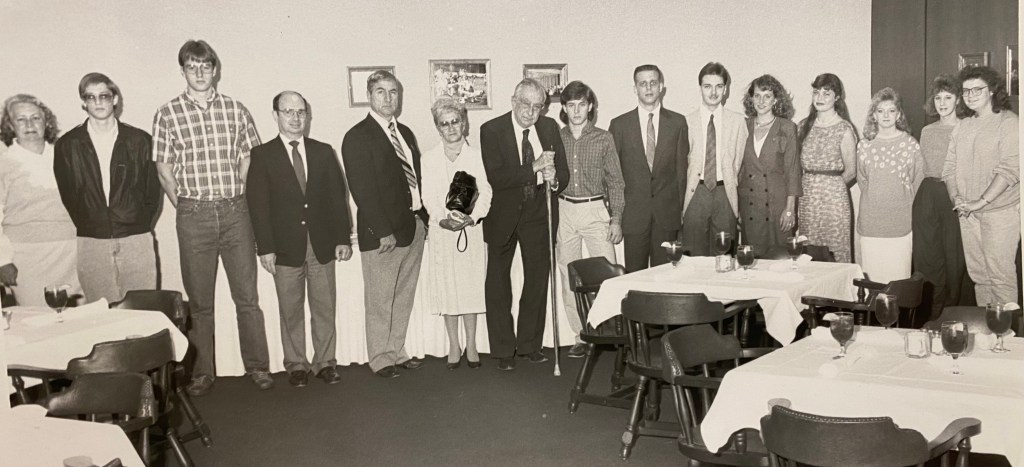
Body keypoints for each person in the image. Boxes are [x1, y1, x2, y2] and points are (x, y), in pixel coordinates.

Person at [152, 40, 272, 395]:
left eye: (205, 66)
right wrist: (188, 205)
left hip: (236, 212)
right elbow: (163, 170)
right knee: (200, 303)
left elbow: (249, 157)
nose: (200, 73)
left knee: (247, 298)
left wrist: (239, 196)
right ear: (183, 71)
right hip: (194, 214)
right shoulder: (167, 113)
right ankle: (203, 372)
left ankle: (259, 367)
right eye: (192, 67)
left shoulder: (236, 110)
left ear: (215, 69)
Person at [247, 91, 352, 387]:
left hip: (321, 245)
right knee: (290, 309)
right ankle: (296, 365)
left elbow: (337, 198)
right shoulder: (263, 155)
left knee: (324, 307)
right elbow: (258, 206)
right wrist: (265, 248)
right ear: (276, 115)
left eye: (301, 112)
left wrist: (342, 238)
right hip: (283, 249)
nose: (295, 118)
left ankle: (325, 363)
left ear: (307, 115)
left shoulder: (322, 151)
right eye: (288, 112)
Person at [341, 70, 427, 379]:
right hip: (384, 234)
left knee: (402, 295)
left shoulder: (403, 131)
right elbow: (361, 189)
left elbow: (413, 180)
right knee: (380, 299)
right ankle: (379, 358)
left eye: (393, 92)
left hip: (413, 226)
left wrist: (423, 220)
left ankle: (397, 351)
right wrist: (383, 231)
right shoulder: (357, 136)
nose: (388, 98)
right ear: (369, 95)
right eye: (381, 91)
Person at [480, 78, 568, 371]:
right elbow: (497, 176)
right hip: (503, 216)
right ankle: (504, 349)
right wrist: (534, 167)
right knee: (498, 285)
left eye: (538, 107)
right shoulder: (491, 130)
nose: (531, 112)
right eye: (526, 105)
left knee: (537, 281)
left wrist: (555, 178)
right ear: (513, 101)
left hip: (538, 214)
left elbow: (563, 174)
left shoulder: (550, 128)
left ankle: (529, 344)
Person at [53, 73, 161, 304]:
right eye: (91, 97)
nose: (98, 102)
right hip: (92, 241)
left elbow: (152, 192)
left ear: (115, 99)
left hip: (136, 237)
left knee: (142, 308)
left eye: (104, 96)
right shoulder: (67, 145)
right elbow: (69, 196)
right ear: (83, 102)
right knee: (101, 312)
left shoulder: (140, 140)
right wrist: (92, 222)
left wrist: (137, 222)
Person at [420, 97, 491, 370]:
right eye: (444, 123)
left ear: (464, 123)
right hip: (442, 233)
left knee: (470, 288)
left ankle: (471, 344)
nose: (451, 128)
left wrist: (472, 218)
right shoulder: (428, 158)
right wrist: (442, 218)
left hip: (470, 232)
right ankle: (453, 344)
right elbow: (428, 197)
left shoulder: (477, 156)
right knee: (448, 289)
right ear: (438, 128)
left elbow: (486, 191)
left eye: (455, 121)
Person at [554, 81, 625, 358]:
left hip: (595, 209)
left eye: (581, 104)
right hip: (565, 210)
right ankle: (581, 335)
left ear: (590, 105)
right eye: (571, 105)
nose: (576, 111)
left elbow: (616, 182)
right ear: (564, 108)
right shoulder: (555, 137)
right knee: (569, 276)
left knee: (608, 274)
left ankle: (612, 331)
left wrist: (616, 219)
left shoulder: (603, 138)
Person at [943, 65, 1020, 306]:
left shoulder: (1009, 122)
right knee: (980, 277)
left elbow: (1011, 169)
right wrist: (957, 198)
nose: (971, 95)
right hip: (968, 214)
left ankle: (1005, 339)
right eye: (966, 91)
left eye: (977, 89)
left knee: (1000, 276)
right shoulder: (963, 125)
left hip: (1000, 213)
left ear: (992, 91)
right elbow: (949, 168)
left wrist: (981, 201)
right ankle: (988, 334)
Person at [0, 95, 82, 306]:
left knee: (77, 320)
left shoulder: (65, 156)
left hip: (72, 252)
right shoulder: (4, 163)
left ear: (46, 123)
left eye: (35, 118)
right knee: (38, 318)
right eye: (20, 119)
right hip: (26, 257)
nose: (29, 124)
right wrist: (3, 261)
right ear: (10, 125)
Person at [608, 65, 688, 272]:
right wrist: (615, 214)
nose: (649, 88)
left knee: (666, 277)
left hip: (667, 216)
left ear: (661, 86)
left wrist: (679, 212)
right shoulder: (619, 125)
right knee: (635, 277)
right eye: (643, 84)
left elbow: (681, 173)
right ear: (635, 88)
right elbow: (611, 175)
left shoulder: (678, 123)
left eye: (653, 82)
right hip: (634, 216)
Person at [913, 74, 972, 319]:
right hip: (927, 195)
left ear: (958, 100)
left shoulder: (967, 128)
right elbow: (922, 168)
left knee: (953, 259)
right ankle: (930, 315)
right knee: (927, 259)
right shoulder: (927, 130)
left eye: (948, 97)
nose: (942, 102)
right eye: (938, 97)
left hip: (953, 196)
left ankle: (951, 314)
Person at [856, 87, 923, 284]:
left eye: (891, 110)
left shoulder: (911, 144)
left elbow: (917, 181)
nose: (886, 115)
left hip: (900, 224)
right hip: (871, 224)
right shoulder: (864, 145)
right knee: (872, 282)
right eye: (880, 111)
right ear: (873, 115)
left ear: (899, 114)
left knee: (898, 284)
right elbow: (863, 181)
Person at [682, 63, 748, 255]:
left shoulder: (737, 121)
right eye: (707, 86)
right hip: (696, 193)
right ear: (700, 88)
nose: (713, 92)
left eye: (719, 86)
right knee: (693, 255)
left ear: (725, 89)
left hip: (724, 194)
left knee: (724, 255)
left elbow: (742, 164)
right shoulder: (686, 122)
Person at [737, 75, 801, 257]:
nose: (761, 101)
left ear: (776, 99)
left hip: (777, 207)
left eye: (767, 96)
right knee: (752, 265)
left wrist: (790, 209)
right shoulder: (743, 126)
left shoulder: (787, 127)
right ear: (751, 99)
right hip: (750, 207)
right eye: (757, 95)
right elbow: (738, 170)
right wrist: (737, 209)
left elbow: (793, 171)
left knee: (780, 265)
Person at [797, 73, 858, 263]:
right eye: (816, 92)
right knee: (809, 252)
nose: (820, 98)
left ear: (837, 97)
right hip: (807, 199)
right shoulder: (802, 126)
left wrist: (830, 187)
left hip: (834, 202)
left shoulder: (844, 129)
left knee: (835, 252)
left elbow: (851, 171)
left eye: (826, 93)